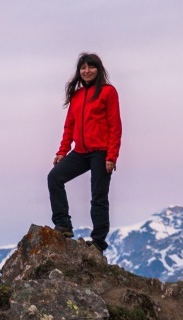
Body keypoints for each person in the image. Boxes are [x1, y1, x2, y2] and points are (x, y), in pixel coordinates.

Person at [47, 52, 122, 253]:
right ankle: (63, 225)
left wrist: (112, 156)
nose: (86, 71)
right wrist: (63, 151)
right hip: (80, 152)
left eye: (91, 67)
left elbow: (115, 125)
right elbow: (69, 126)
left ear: (98, 70)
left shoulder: (108, 92)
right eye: (83, 68)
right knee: (54, 177)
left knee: (98, 197)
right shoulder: (77, 95)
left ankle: (98, 242)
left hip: (101, 152)